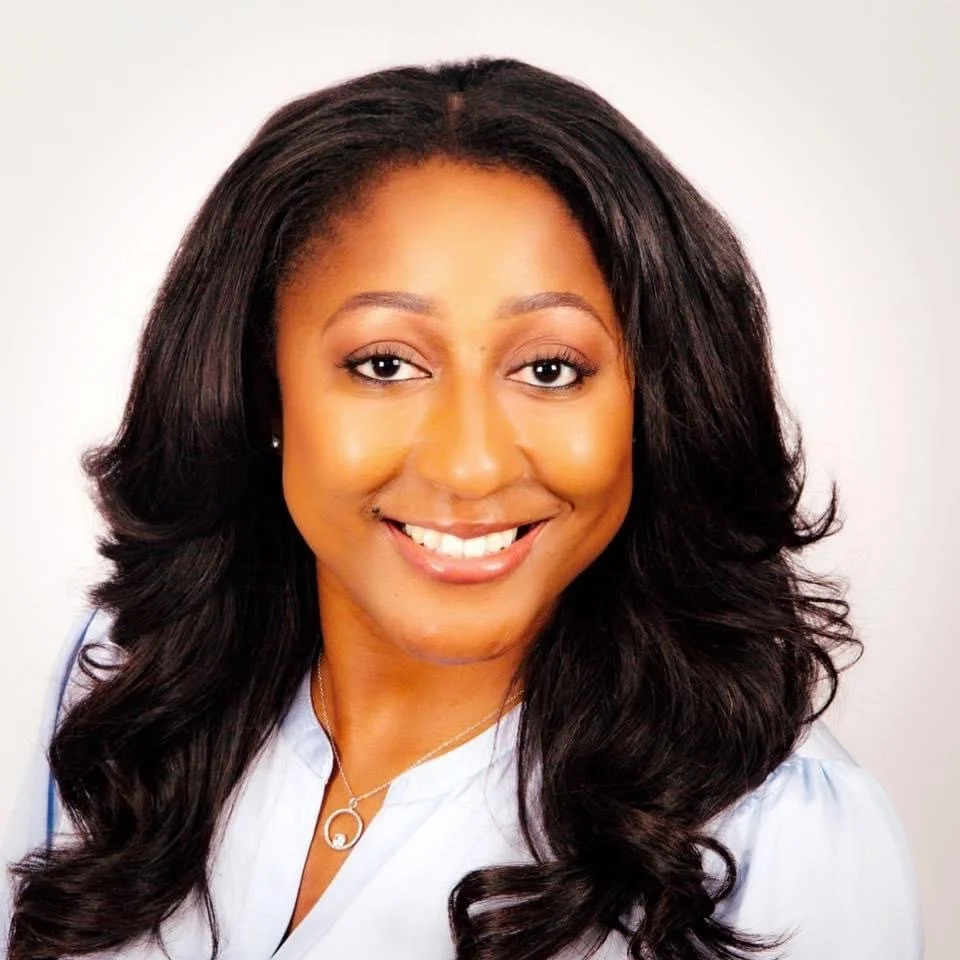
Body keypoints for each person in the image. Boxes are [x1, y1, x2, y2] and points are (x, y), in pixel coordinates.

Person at [1, 56, 923, 960]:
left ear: (655, 405)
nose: (472, 465)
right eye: (385, 364)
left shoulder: (780, 841)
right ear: (260, 390)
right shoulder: (123, 685)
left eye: (551, 369)